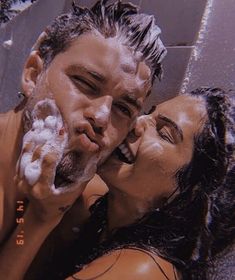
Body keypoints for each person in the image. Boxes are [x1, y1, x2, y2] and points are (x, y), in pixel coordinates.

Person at [1, 87, 234, 280]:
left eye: (164, 133)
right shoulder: (98, 203)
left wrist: (38, 220)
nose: (136, 124)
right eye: (149, 113)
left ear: (189, 193)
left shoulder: (142, 271)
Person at [0, 0, 166, 247]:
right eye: (86, 84)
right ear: (34, 74)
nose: (101, 117)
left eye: (122, 108)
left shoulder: (91, 208)